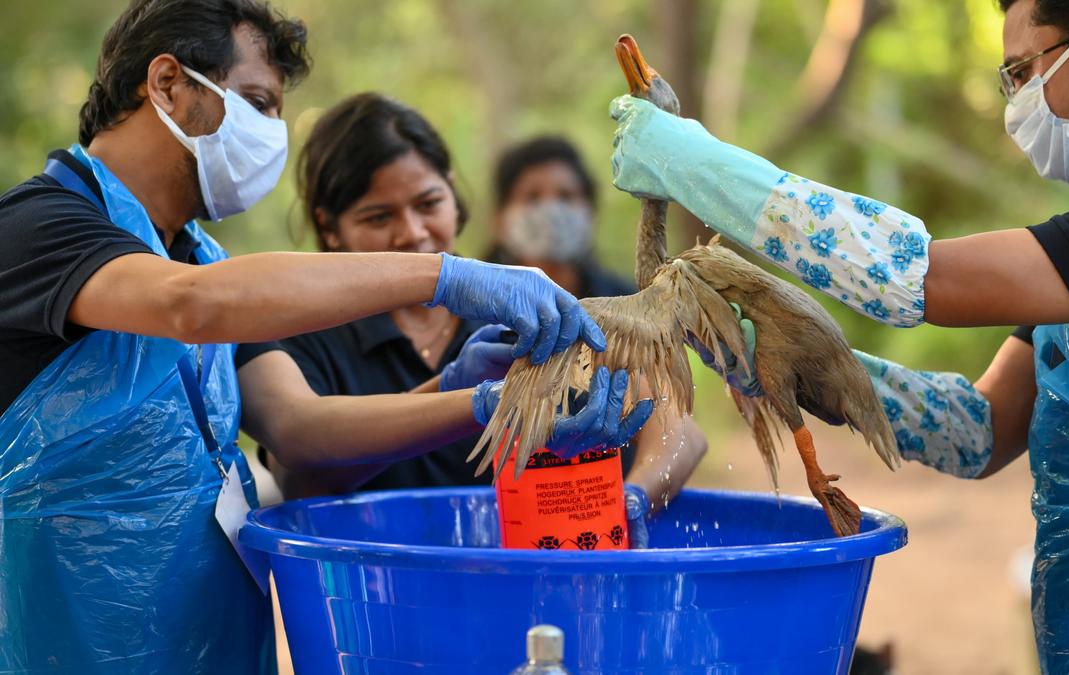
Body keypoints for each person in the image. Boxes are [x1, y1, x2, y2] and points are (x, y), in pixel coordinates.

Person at [0, 2, 650, 672]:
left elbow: (299, 424)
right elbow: (187, 307)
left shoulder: (203, 259)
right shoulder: (42, 226)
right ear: (166, 82)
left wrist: (474, 396)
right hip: (67, 642)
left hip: (211, 641)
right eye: (254, 101)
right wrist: (445, 275)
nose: (270, 133)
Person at [608, 0, 1069, 672]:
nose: (1015, 106)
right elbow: (978, 428)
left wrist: (699, 163)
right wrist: (793, 355)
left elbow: (919, 278)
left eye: (1020, 72)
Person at [265, 94, 706, 510]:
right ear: (329, 228)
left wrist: (634, 497)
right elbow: (299, 480)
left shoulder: (520, 306)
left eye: (428, 203)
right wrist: (458, 394)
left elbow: (678, 429)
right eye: (378, 217)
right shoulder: (304, 332)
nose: (412, 233)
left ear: (453, 195)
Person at [488, 136, 635, 298]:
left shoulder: (627, 302)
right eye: (532, 197)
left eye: (566, 196)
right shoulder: (474, 307)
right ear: (500, 219)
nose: (552, 211)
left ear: (591, 212)